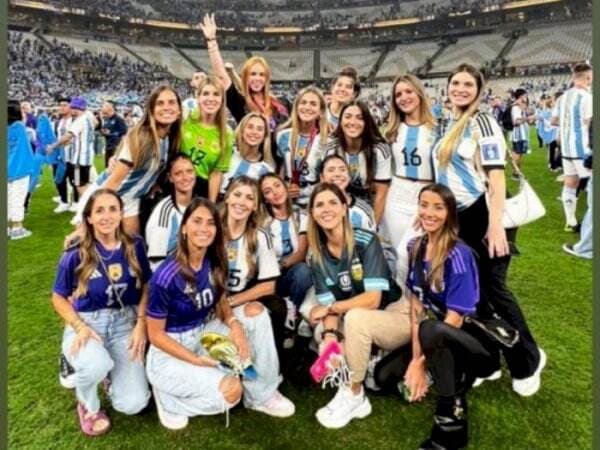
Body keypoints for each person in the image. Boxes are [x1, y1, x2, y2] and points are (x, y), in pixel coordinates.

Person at [432, 63, 545, 397]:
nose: (461, 89)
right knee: (473, 297)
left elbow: (495, 175)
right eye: (456, 83)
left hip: (484, 214)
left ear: (479, 91)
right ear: (447, 87)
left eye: (468, 84)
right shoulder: (448, 123)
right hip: (459, 220)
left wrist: (495, 226)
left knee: (494, 291)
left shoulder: (483, 121)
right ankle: (490, 360)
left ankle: (528, 360)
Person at [146, 198, 294, 430]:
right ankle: (170, 399)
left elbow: (221, 299)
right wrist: (196, 361)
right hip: (170, 350)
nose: (204, 229)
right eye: (197, 221)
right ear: (184, 227)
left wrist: (234, 324)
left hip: (204, 332)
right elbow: (155, 336)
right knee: (231, 392)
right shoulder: (166, 275)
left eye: (210, 223)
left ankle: (262, 394)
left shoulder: (213, 260)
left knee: (255, 314)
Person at [377, 183, 501, 449]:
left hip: (474, 343)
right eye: (424, 205)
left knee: (434, 331)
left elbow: (454, 321)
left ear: (450, 214)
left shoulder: (459, 254)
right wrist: (414, 359)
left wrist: (420, 363)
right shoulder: (415, 247)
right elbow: (416, 309)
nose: (429, 213)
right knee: (381, 378)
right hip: (435, 334)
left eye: (438, 207)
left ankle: (451, 427)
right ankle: (437, 373)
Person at [302, 182, 410, 429]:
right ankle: (358, 371)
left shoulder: (365, 240)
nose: (326, 209)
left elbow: (372, 300)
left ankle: (355, 393)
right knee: (322, 333)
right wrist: (329, 335)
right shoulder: (317, 255)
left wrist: (331, 310)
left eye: (332, 202)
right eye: (319, 205)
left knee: (355, 318)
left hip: (394, 314)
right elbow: (328, 305)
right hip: (356, 316)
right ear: (312, 214)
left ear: (344, 208)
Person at [52, 188, 151, 436]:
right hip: (88, 323)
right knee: (96, 364)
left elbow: (147, 284)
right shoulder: (75, 253)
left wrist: (141, 324)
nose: (106, 216)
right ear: (89, 218)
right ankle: (88, 405)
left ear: (121, 214)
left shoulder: (135, 245)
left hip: (124, 321)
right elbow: (58, 297)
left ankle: (105, 374)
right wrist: (79, 327)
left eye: (112, 209)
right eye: (99, 210)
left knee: (133, 404)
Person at [67, 85, 182, 237]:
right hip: (107, 196)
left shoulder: (169, 138)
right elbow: (113, 182)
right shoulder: (142, 137)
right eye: (160, 103)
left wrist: (153, 183)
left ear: (179, 109)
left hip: (130, 200)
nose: (166, 107)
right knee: (85, 250)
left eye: (171, 102)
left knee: (132, 251)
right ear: (151, 110)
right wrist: (95, 214)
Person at [221, 176, 288, 358]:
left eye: (249, 198)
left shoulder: (259, 236)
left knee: (277, 306)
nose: (242, 202)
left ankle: (273, 365)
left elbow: (269, 286)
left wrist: (232, 302)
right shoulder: (211, 230)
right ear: (227, 198)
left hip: (237, 295)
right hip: (211, 296)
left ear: (254, 206)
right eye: (237, 195)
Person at [200, 13, 288, 132]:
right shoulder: (240, 103)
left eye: (261, 74)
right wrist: (211, 41)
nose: (257, 78)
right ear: (246, 77)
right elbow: (221, 77)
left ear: (267, 78)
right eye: (253, 74)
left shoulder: (282, 102)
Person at [381, 74, 438, 254]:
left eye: (408, 91)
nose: (404, 97)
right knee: (400, 253)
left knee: (424, 252)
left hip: (426, 195)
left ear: (419, 93)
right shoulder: (391, 131)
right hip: (397, 195)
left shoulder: (438, 128)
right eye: (398, 94)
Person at [324, 100, 391, 222]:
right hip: (338, 206)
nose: (352, 122)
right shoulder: (331, 147)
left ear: (366, 122)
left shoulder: (379, 149)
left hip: (370, 207)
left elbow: (381, 194)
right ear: (340, 121)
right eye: (347, 117)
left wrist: (372, 226)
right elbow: (325, 186)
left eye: (359, 118)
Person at [259, 173, 312, 314]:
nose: (275, 192)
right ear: (265, 199)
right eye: (268, 191)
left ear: (285, 187)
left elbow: (301, 253)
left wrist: (280, 265)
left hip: (288, 273)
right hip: (266, 276)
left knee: (303, 271)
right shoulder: (261, 221)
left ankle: (293, 314)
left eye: (277, 185)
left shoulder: (301, 216)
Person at [552, 62, 593, 232]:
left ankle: (571, 221)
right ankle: (590, 226)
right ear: (588, 78)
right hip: (583, 148)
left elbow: (554, 120)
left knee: (570, 183)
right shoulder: (586, 97)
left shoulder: (562, 97)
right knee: (592, 186)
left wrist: (567, 124)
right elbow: (589, 122)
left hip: (567, 150)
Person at [180, 76, 234, 201]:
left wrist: (211, 203)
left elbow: (216, 173)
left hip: (200, 190)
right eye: (205, 94)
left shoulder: (227, 134)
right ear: (198, 97)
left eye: (216, 94)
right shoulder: (185, 119)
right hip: (175, 183)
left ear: (222, 100)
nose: (211, 98)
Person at [276, 86, 329, 209]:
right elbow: (281, 169)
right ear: (296, 107)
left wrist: (307, 192)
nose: (307, 107)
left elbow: (327, 178)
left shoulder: (326, 141)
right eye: (303, 102)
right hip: (287, 201)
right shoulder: (282, 136)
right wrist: (283, 187)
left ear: (320, 111)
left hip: (315, 202)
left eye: (313, 104)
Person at [145, 153, 196, 271]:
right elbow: (156, 263)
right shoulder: (164, 212)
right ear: (170, 178)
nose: (185, 177)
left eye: (189, 171)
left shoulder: (198, 205)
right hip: (172, 277)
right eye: (178, 173)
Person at [46, 96, 97, 210]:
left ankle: (85, 210)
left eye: (73, 107)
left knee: (79, 186)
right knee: (83, 184)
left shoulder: (80, 120)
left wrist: (53, 146)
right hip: (85, 157)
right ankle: (85, 207)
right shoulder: (87, 119)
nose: (71, 110)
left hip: (79, 158)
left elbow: (68, 136)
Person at [219, 112, 275, 196]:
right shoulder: (228, 151)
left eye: (259, 129)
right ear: (242, 131)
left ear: (264, 137)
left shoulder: (266, 170)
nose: (254, 132)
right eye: (250, 127)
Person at [319, 154, 376, 232]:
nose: (337, 174)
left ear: (349, 176)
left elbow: (371, 241)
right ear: (322, 178)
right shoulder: (315, 209)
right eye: (331, 170)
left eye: (342, 170)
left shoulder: (364, 210)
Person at [7, 99, 35, 240]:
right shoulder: (18, 126)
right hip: (19, 168)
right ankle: (17, 228)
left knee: (8, 198)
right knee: (18, 197)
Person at [50, 96, 72, 213]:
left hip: (72, 155)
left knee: (74, 181)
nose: (62, 108)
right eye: (60, 105)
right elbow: (56, 138)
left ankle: (76, 203)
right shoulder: (58, 122)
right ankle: (64, 201)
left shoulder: (74, 120)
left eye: (65, 105)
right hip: (59, 155)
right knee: (59, 179)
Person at [509, 89, 535, 179]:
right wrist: (528, 118)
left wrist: (529, 119)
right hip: (519, 134)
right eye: (525, 96)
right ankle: (515, 173)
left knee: (519, 154)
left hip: (521, 134)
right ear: (521, 97)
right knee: (517, 154)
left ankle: (517, 173)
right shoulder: (515, 107)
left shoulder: (520, 107)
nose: (526, 98)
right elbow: (516, 121)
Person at [326, 66, 361, 131]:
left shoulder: (358, 120)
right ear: (332, 88)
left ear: (354, 94)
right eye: (339, 85)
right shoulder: (319, 113)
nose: (342, 89)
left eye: (348, 87)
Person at [100, 101, 128, 169]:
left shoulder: (119, 119)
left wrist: (110, 133)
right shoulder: (107, 119)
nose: (104, 115)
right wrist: (103, 132)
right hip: (108, 145)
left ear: (111, 109)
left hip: (116, 146)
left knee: (113, 166)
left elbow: (124, 131)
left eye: (105, 106)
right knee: (107, 167)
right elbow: (105, 130)